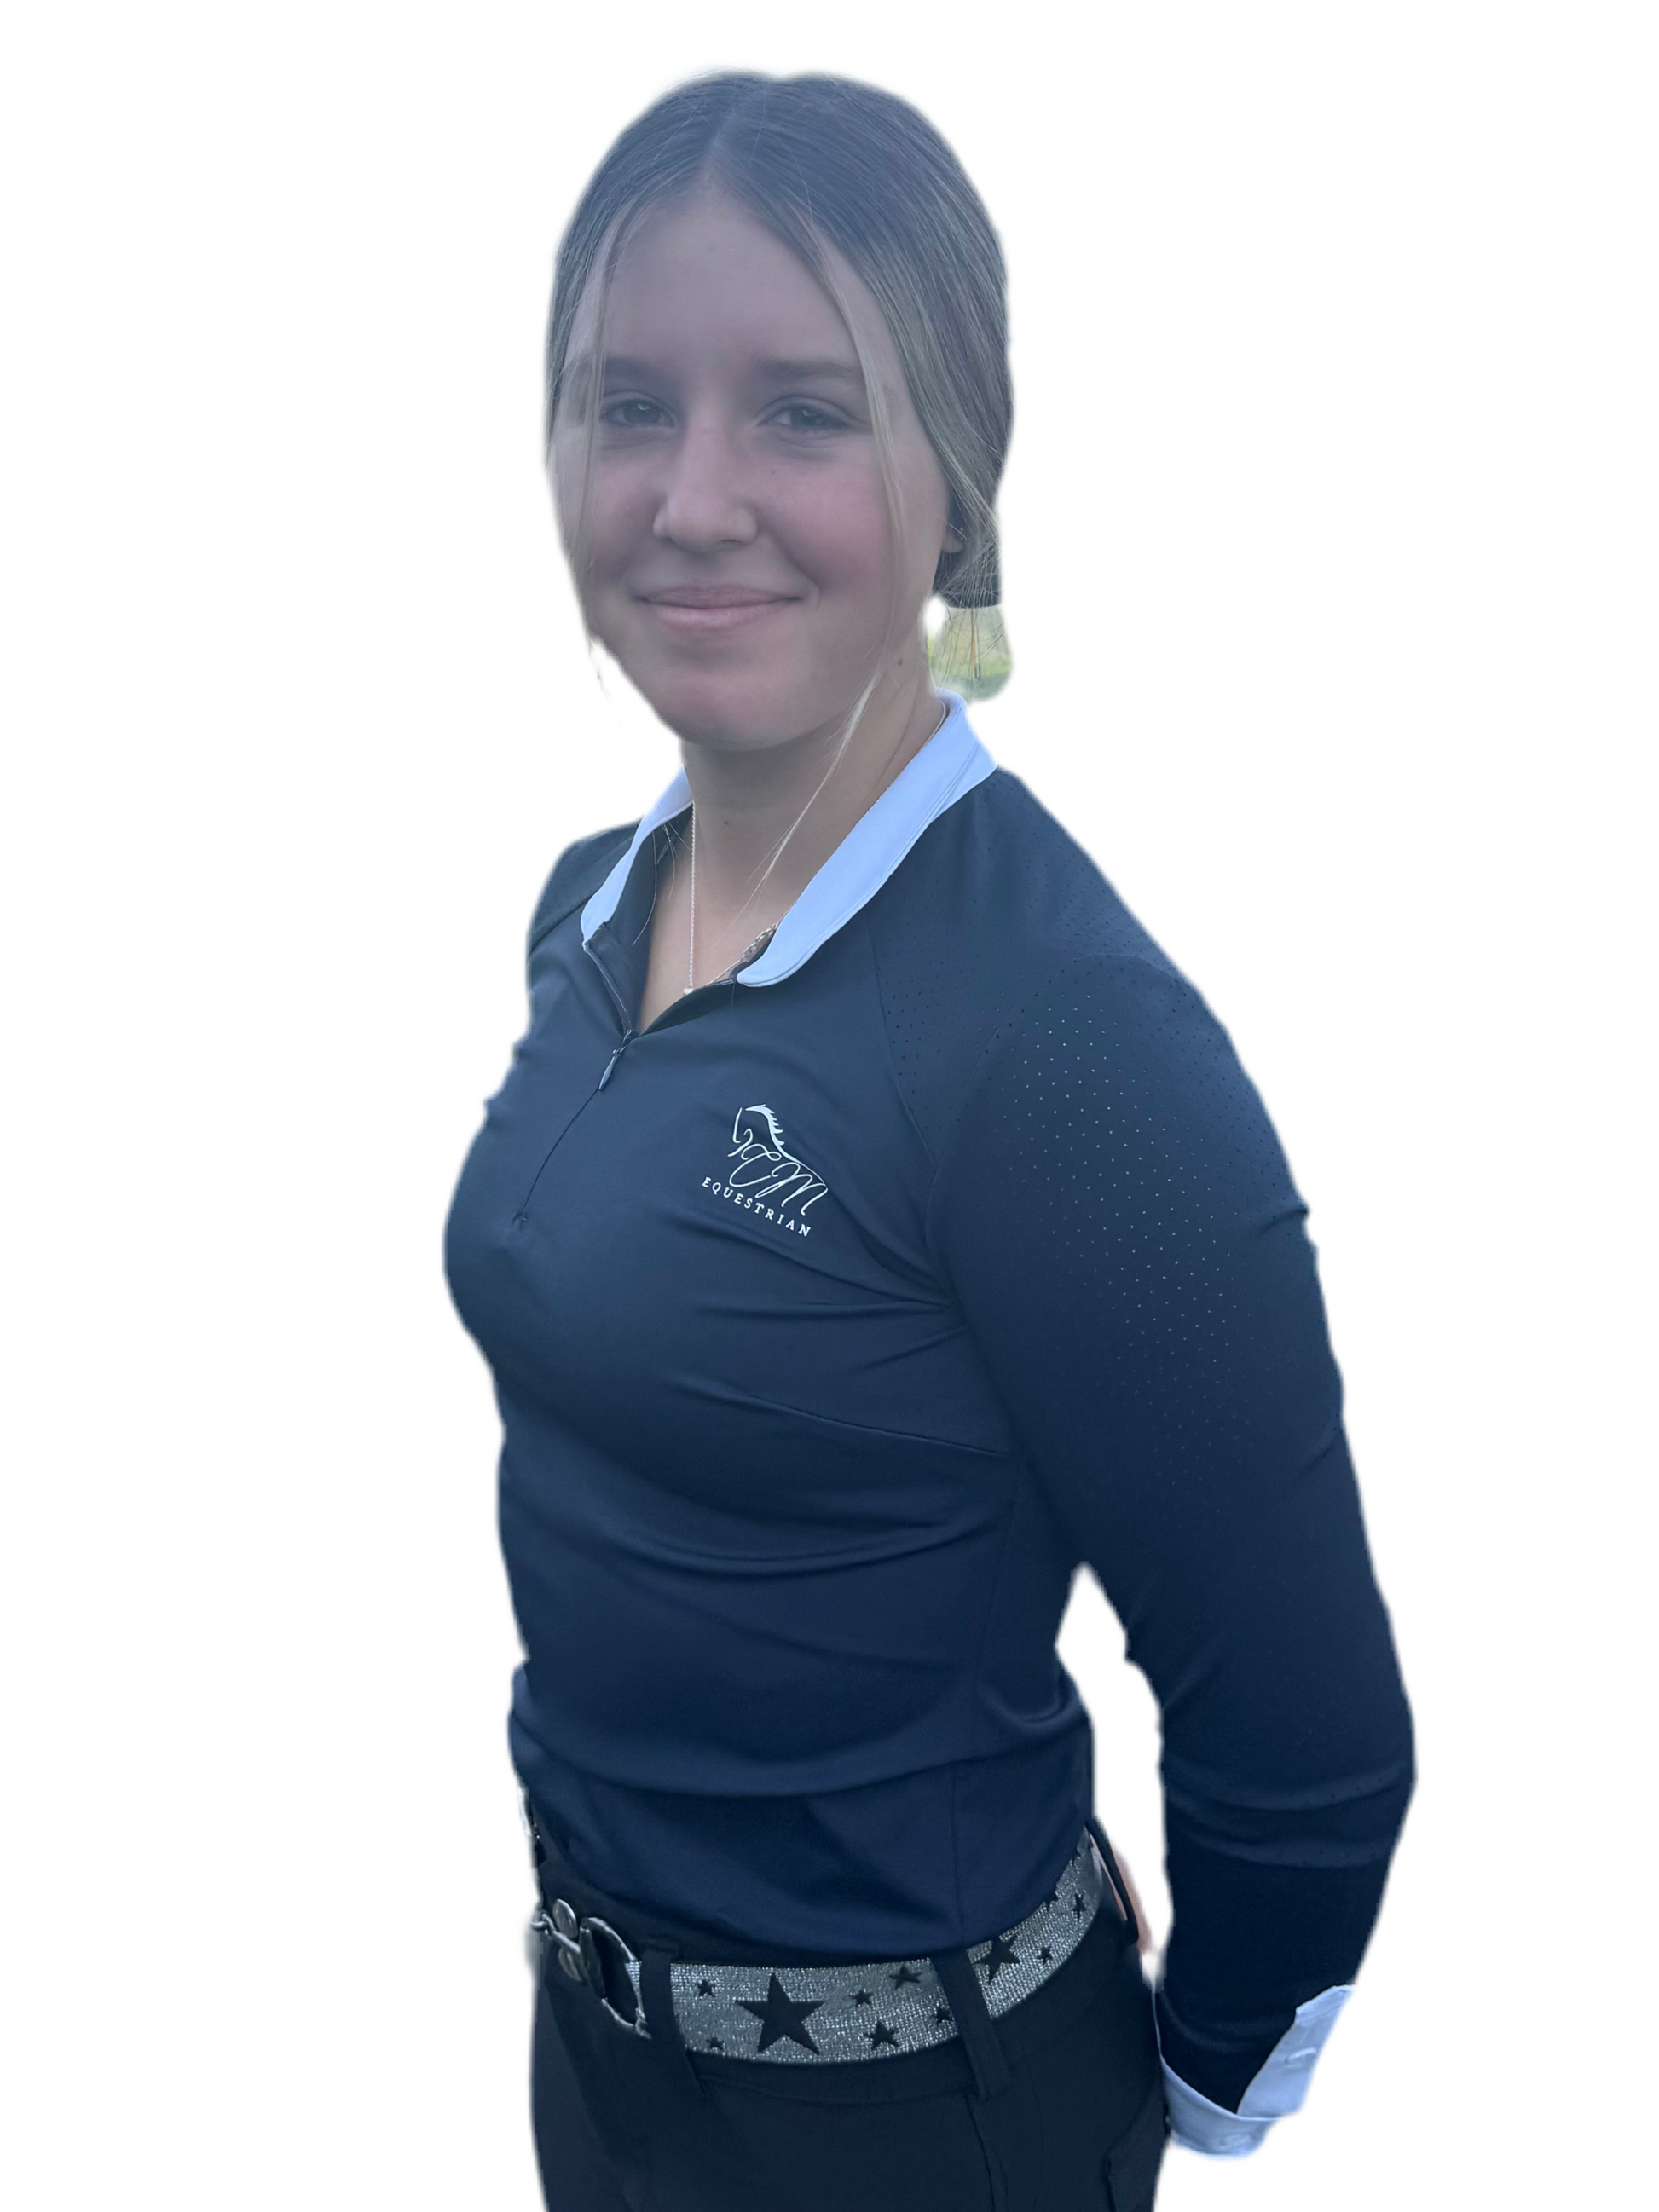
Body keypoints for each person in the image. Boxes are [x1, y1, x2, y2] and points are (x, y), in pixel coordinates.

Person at [444, 70, 1413, 2212]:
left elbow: (1305, 1726)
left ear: (954, 483)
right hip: (598, 2059)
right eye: (628, 405)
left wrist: (1188, 2093)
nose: (693, 497)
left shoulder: (1064, 1048)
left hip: (918, 2129)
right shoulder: (587, 912)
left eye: (800, 411)